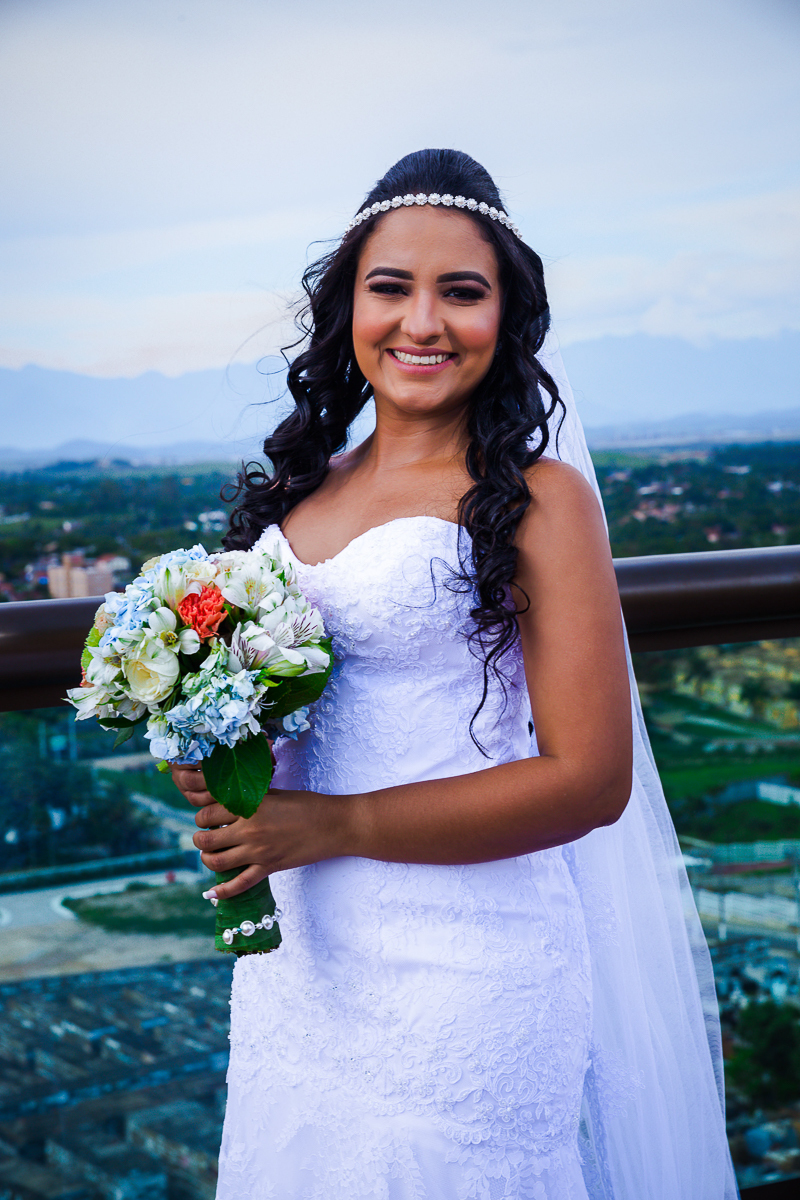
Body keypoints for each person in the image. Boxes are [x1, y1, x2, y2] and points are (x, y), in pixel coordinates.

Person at [171, 149, 737, 1199]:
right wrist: (216, 766)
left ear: (506, 317)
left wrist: (329, 824)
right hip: (304, 966)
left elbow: (588, 780)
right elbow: (280, 721)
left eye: (460, 292)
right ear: (347, 305)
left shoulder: (539, 497)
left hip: (465, 974)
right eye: (390, 287)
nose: (420, 322)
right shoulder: (302, 493)